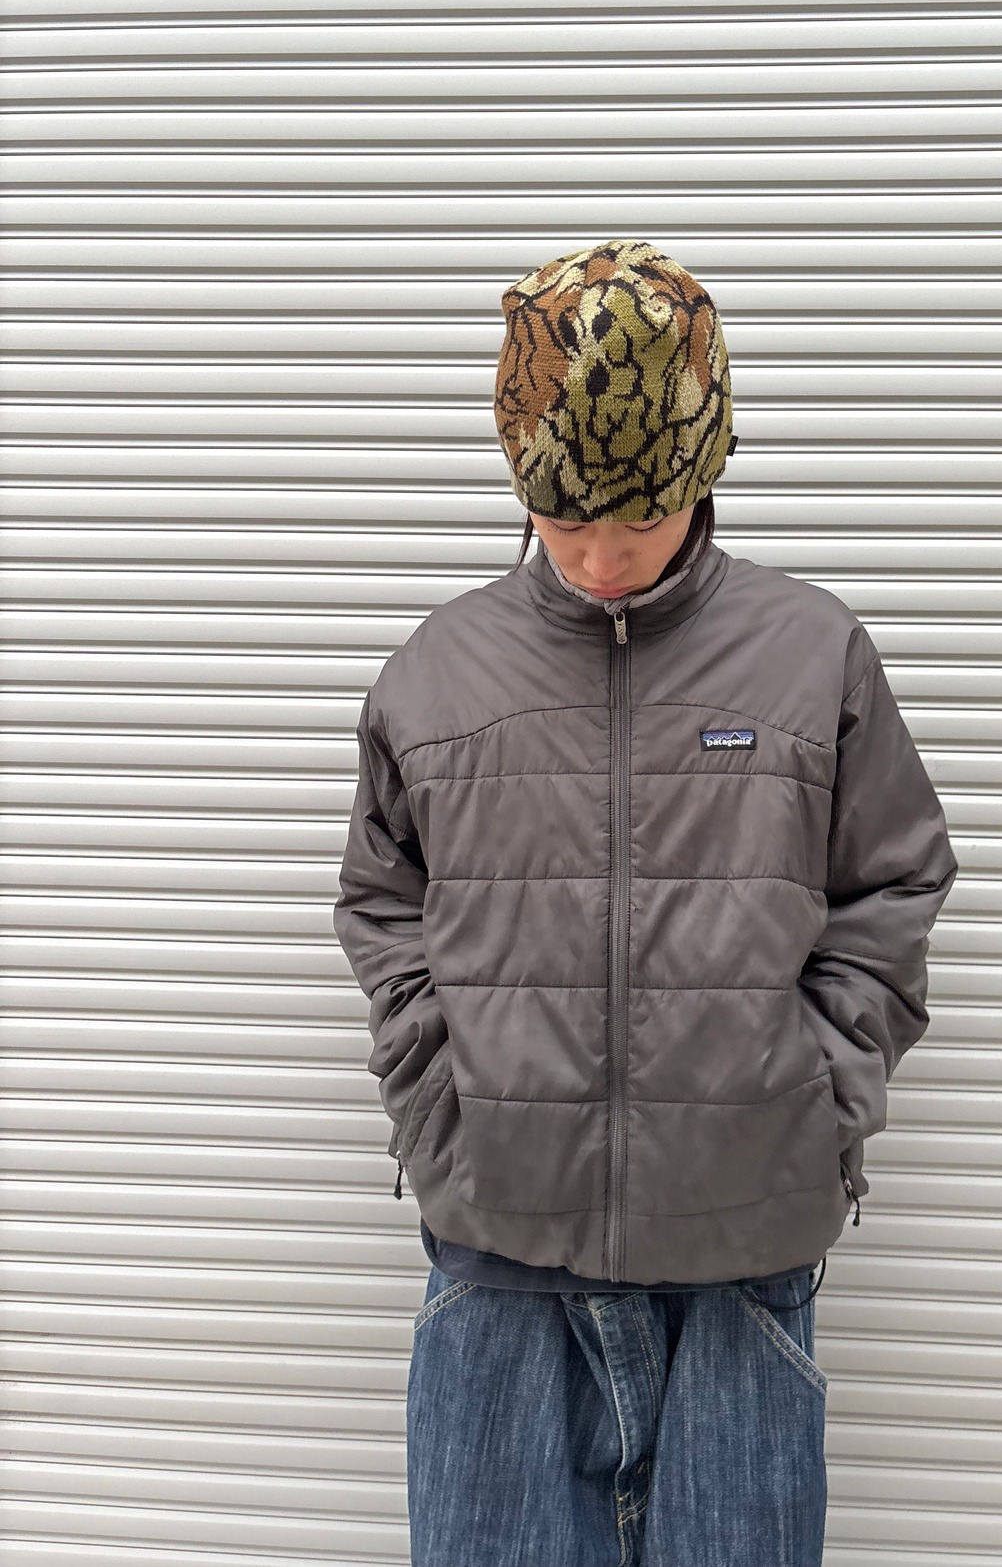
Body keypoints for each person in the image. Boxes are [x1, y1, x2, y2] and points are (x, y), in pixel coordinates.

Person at [332, 237, 959, 1566]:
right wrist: (440, 1098)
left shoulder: (811, 658)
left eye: (640, 521)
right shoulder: (437, 676)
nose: (605, 558)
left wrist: (814, 1096)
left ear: (704, 471)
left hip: (742, 1257)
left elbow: (893, 883)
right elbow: (383, 905)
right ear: (521, 483)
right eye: (570, 525)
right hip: (499, 1262)